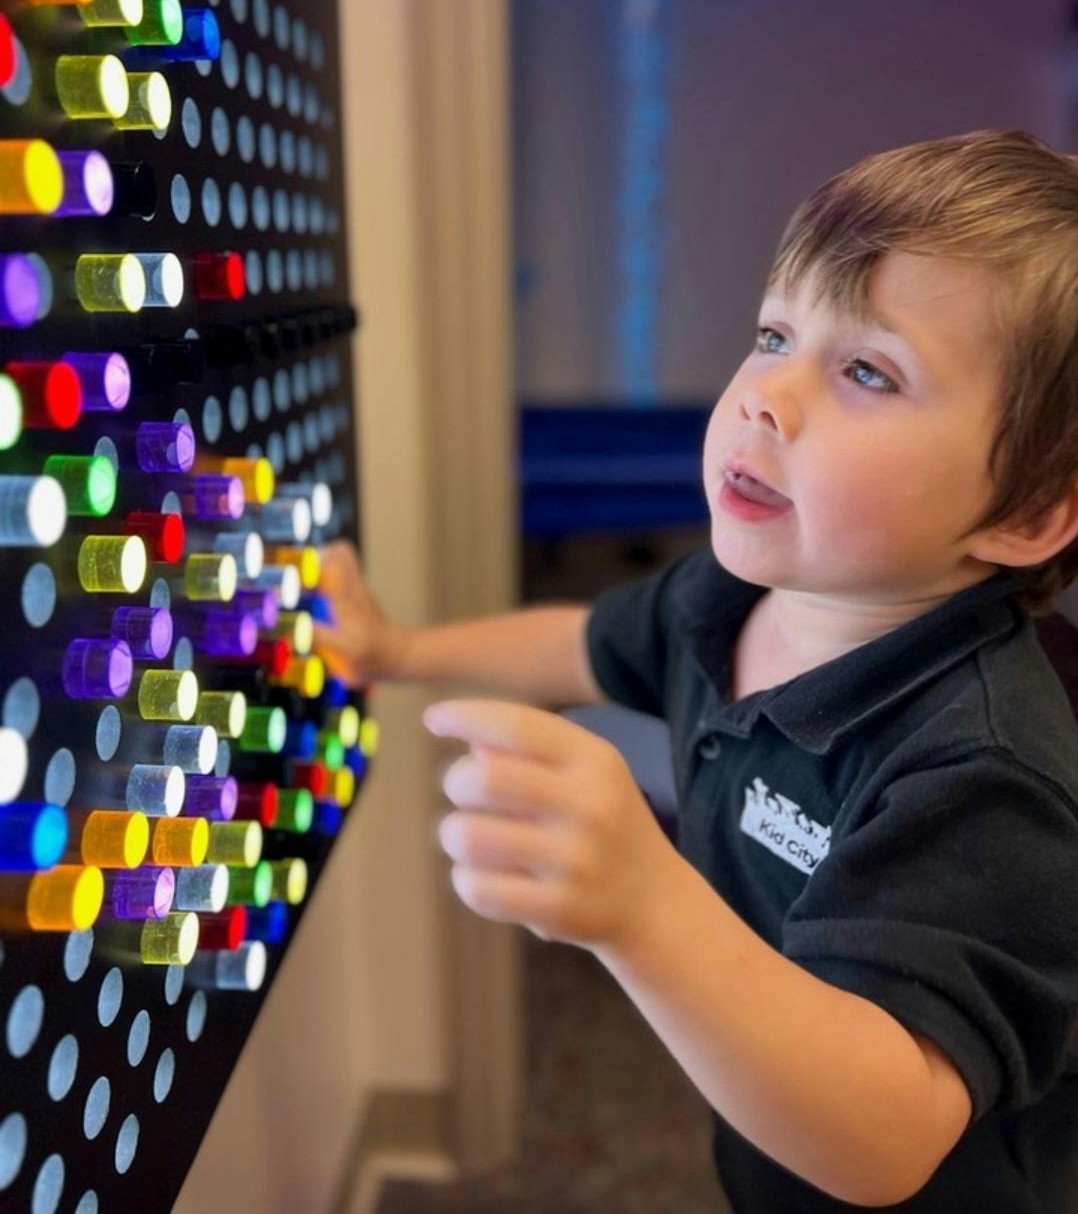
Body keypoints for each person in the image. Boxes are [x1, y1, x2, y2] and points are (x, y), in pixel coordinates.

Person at [314, 128, 1078, 1212]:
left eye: (867, 369)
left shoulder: (985, 770)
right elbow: (581, 646)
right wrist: (399, 653)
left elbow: (887, 1139)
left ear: (1026, 512)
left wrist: (646, 907)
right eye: (774, 334)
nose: (768, 396)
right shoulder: (723, 602)